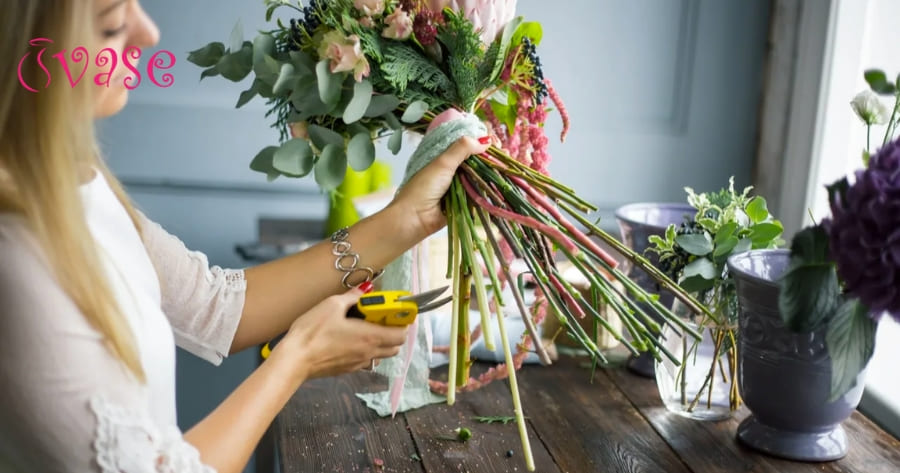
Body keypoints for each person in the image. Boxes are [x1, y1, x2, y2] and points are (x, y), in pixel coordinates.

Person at [0, 1, 490, 472]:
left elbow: (216, 306)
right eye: (110, 25)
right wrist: (296, 358)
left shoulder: (73, 179)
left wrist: (407, 219)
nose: (148, 33)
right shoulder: (16, 259)